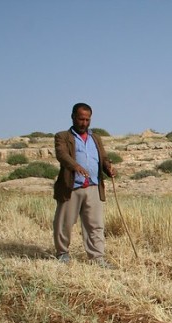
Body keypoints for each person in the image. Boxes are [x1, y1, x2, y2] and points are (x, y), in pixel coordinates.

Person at [52, 102, 116, 268]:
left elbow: (103, 157)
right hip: (72, 187)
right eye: (81, 119)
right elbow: (62, 155)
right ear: (73, 117)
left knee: (95, 225)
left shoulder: (96, 138)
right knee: (65, 223)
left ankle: (97, 258)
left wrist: (108, 168)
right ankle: (62, 253)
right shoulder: (62, 136)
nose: (84, 123)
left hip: (94, 186)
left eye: (87, 120)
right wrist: (76, 166)